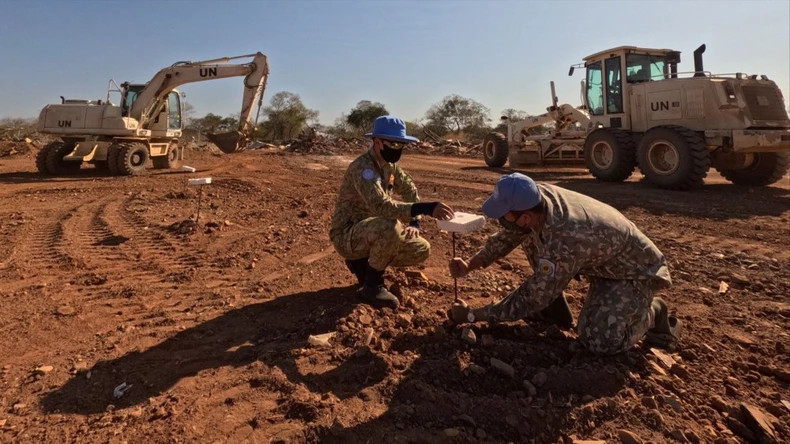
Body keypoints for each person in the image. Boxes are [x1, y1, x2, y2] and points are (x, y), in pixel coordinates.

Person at [448, 173, 681, 354]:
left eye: (504, 215)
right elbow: (508, 236)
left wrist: (474, 315)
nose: (500, 221)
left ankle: (654, 311)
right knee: (528, 236)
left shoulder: (565, 236)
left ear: (524, 215)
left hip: (633, 271)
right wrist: (471, 264)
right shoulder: (535, 199)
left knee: (599, 340)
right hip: (599, 257)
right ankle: (555, 312)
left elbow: (532, 296)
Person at [330, 115, 454, 309]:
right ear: (377, 142)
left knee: (420, 248)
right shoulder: (363, 168)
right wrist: (427, 208)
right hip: (348, 235)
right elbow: (382, 206)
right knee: (390, 225)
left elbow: (409, 189)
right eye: (394, 144)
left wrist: (415, 222)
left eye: (401, 145)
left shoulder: (390, 167)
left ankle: (363, 265)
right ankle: (372, 286)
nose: (398, 149)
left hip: (371, 231)